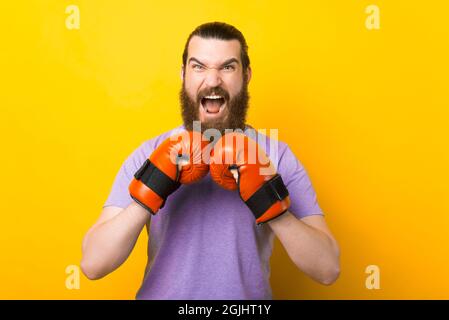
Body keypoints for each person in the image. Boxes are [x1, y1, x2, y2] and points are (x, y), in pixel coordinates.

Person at [80, 22, 340, 300]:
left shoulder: (275, 156)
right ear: (183, 75)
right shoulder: (150, 153)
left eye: (227, 67)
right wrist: (151, 189)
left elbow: (327, 269)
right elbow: (94, 264)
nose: (213, 80)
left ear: (246, 75)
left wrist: (270, 202)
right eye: (199, 67)